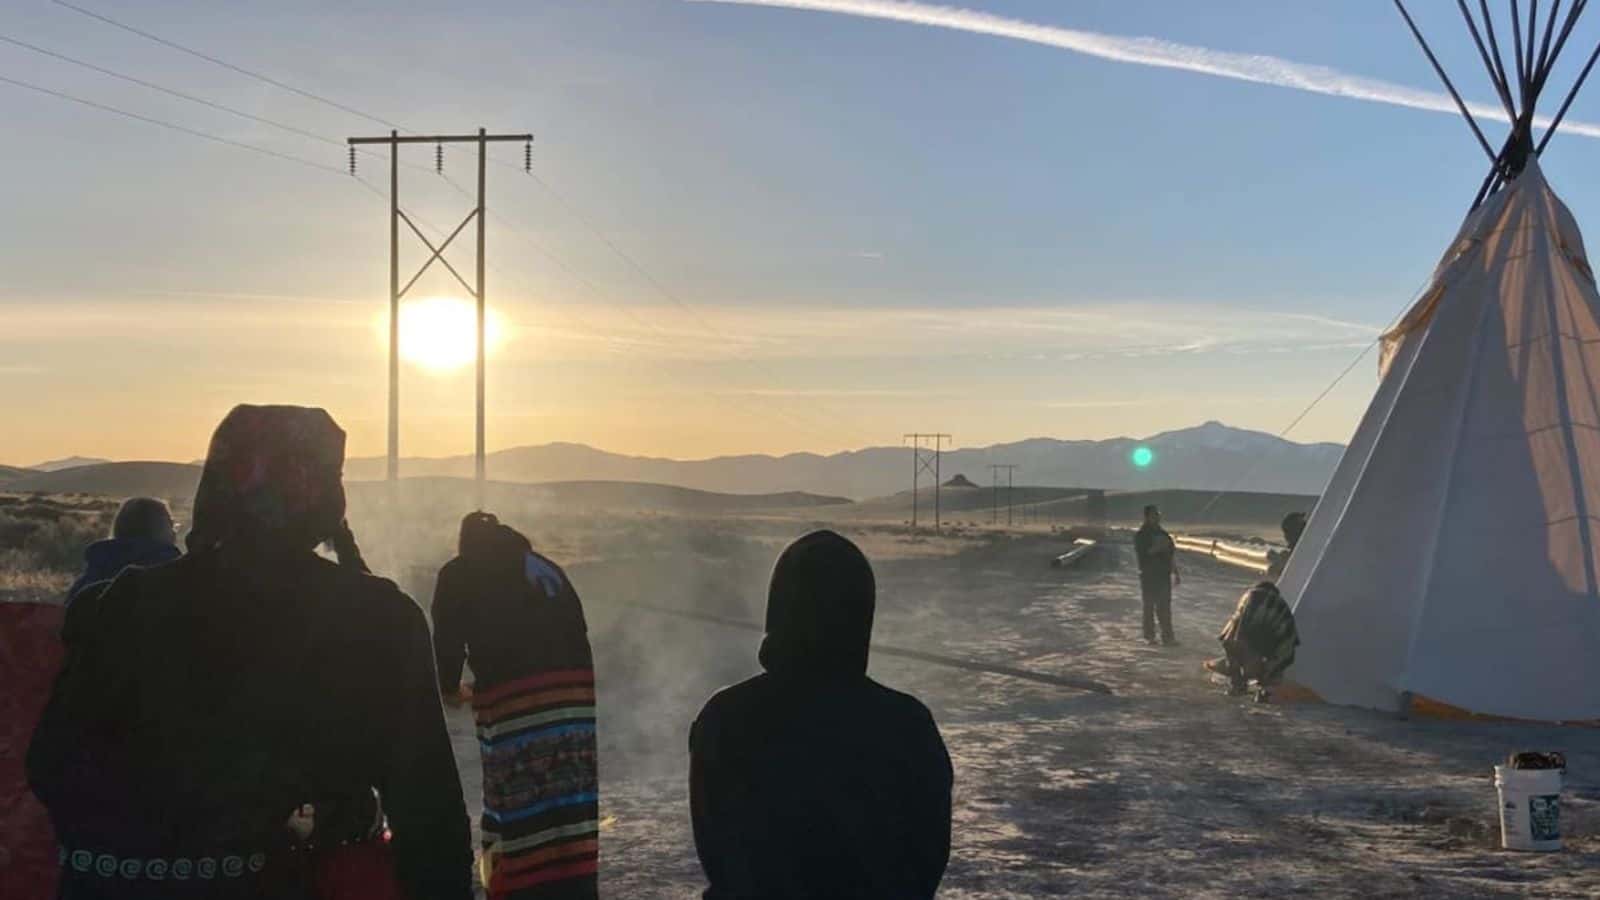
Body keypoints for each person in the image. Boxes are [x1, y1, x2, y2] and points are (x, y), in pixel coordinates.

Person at [27, 404, 473, 899]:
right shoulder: (377, 620)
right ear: (327, 494)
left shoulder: (121, 601)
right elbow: (432, 828)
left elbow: (49, 765)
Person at [689, 530, 952, 900]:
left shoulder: (725, 719)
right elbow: (926, 862)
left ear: (777, 611)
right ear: (861, 617)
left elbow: (718, 852)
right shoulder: (908, 726)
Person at [432, 512, 598, 900]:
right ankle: (577, 888)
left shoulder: (458, 573)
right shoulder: (545, 567)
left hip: (516, 702)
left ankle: (515, 890)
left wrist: (450, 689)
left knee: (513, 809)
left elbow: (446, 646)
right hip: (576, 702)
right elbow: (579, 632)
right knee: (571, 806)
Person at [66, 497, 181, 606]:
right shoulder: (170, 576)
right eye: (171, 524)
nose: (175, 532)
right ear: (160, 529)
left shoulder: (90, 577)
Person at [1204, 581, 1300, 701]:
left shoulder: (1251, 599)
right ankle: (1261, 689)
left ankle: (1250, 686)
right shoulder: (1275, 608)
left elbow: (1228, 639)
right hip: (1267, 641)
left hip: (1262, 642)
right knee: (1263, 667)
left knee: (1240, 654)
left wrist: (1239, 676)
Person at [1134, 504, 1180, 645]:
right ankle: (1150, 636)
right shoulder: (1141, 535)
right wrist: (1158, 547)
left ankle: (1168, 637)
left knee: (1164, 607)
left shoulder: (1164, 534)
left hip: (1163, 575)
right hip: (1148, 575)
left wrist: (1176, 572)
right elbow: (1143, 554)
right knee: (1149, 606)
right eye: (1154, 515)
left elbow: (1171, 556)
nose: (1157, 517)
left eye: (1158, 514)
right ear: (1147, 516)